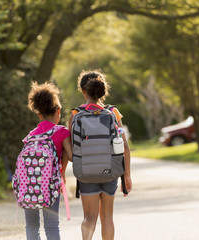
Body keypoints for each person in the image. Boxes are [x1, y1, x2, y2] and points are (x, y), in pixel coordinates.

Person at [69, 70, 132, 240]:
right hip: (109, 172)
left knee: (89, 217)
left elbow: (73, 147)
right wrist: (127, 175)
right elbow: (124, 146)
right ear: (103, 90)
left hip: (86, 173)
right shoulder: (113, 112)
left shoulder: (75, 114)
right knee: (107, 218)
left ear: (83, 91)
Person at [25, 81, 72, 240]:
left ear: (39, 114)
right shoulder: (62, 132)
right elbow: (72, 155)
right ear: (58, 110)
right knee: (51, 226)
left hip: (29, 185)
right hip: (50, 184)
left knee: (31, 226)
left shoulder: (31, 135)